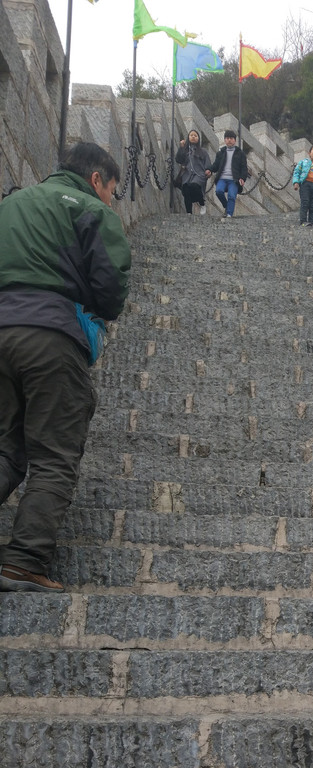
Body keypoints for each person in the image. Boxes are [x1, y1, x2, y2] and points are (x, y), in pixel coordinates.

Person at [0, 142, 131, 593]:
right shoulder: (90, 209)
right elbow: (111, 287)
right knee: (54, 453)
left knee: (5, 449)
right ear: (97, 180)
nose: (112, 199)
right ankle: (22, 561)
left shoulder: (12, 201)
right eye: (112, 190)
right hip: (51, 336)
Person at [211, 130, 248, 221]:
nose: (229, 140)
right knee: (219, 191)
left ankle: (229, 214)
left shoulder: (240, 153)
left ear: (235, 140)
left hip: (234, 180)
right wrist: (209, 169)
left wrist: (243, 178)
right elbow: (215, 165)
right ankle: (226, 206)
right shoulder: (221, 153)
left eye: (231, 138)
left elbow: (244, 168)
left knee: (232, 196)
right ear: (224, 140)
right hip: (222, 178)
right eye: (227, 138)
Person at [175, 129, 212, 216]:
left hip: (199, 175)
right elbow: (178, 160)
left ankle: (202, 204)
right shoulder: (185, 150)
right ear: (188, 137)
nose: (193, 137)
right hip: (187, 174)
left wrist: (208, 170)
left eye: (195, 135)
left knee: (195, 186)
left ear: (198, 138)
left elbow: (208, 163)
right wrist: (181, 148)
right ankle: (189, 212)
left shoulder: (203, 151)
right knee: (186, 188)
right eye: (191, 135)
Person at [292, 145, 313, 226]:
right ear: (309, 153)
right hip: (305, 184)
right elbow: (297, 172)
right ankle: (303, 221)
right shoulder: (303, 162)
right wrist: (296, 182)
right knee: (305, 202)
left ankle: (312, 221)